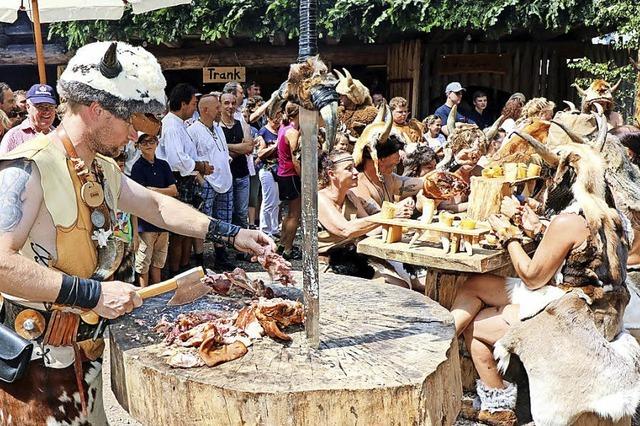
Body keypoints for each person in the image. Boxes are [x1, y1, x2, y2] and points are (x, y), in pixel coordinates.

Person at [0, 41, 273, 424]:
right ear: (96, 110)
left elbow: (156, 206)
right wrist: (93, 293)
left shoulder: (102, 170)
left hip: (84, 356)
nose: (133, 136)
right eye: (130, 122)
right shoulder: (27, 168)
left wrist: (231, 234)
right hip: (33, 368)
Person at [451, 148, 631, 423]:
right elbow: (577, 259)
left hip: (578, 317)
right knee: (475, 284)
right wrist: (537, 231)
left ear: (565, 182)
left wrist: (509, 236)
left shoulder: (568, 220)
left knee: (477, 326)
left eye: (552, 180)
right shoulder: (615, 218)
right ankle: (447, 343)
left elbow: (533, 277)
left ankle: (495, 403)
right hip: (605, 311)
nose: (549, 185)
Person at [157, 83, 213, 276]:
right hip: (177, 180)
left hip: (186, 180)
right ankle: (175, 273)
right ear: (183, 104)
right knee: (178, 232)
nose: (194, 108)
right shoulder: (171, 125)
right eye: (193, 103)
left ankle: (184, 268)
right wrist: (199, 166)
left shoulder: (179, 124)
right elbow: (176, 159)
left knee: (186, 230)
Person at [188, 93, 235, 271]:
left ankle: (220, 256)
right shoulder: (193, 131)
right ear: (205, 110)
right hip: (207, 182)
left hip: (224, 181)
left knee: (222, 220)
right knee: (201, 221)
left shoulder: (218, 128)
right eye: (217, 107)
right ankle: (199, 260)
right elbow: (191, 159)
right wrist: (201, 181)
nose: (220, 110)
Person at [318, 150, 381, 278]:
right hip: (328, 267)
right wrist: (385, 217)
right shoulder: (319, 199)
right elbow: (346, 230)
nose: (356, 172)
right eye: (348, 169)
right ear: (332, 174)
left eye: (354, 167)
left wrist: (398, 220)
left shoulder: (350, 196)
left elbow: (370, 229)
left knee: (400, 283)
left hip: (353, 260)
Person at [130, 133, 177, 286]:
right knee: (143, 262)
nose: (148, 145)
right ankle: (144, 294)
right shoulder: (137, 168)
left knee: (159, 261)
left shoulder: (163, 165)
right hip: (145, 221)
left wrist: (152, 190)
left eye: (151, 141)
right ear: (138, 146)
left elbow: (174, 190)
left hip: (163, 219)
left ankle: (157, 291)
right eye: (144, 142)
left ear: (157, 143)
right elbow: (141, 195)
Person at [220, 91, 254, 229]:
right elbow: (217, 151)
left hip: (242, 175)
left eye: (233, 103)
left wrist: (225, 146)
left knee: (241, 212)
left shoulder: (242, 124)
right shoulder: (216, 127)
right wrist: (239, 147)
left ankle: (244, 245)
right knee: (226, 213)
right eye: (226, 103)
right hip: (224, 176)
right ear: (220, 105)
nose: (230, 106)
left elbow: (249, 147)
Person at [276, 102, 303, 260]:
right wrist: (302, 176)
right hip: (290, 174)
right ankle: (288, 248)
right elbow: (295, 159)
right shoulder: (292, 132)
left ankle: (282, 243)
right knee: (295, 214)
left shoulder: (283, 128)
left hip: (283, 173)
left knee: (288, 213)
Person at [0, 84, 57, 154]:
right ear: (28, 107)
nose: (47, 111)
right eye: (40, 106)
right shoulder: (13, 137)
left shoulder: (59, 136)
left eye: (51, 106)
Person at [256, 107, 282, 238]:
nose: (278, 120)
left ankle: (274, 228)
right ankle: (265, 230)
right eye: (275, 117)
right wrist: (275, 146)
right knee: (268, 201)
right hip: (267, 169)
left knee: (277, 201)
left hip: (280, 170)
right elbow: (260, 153)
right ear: (268, 117)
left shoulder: (281, 130)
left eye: (279, 116)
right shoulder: (263, 132)